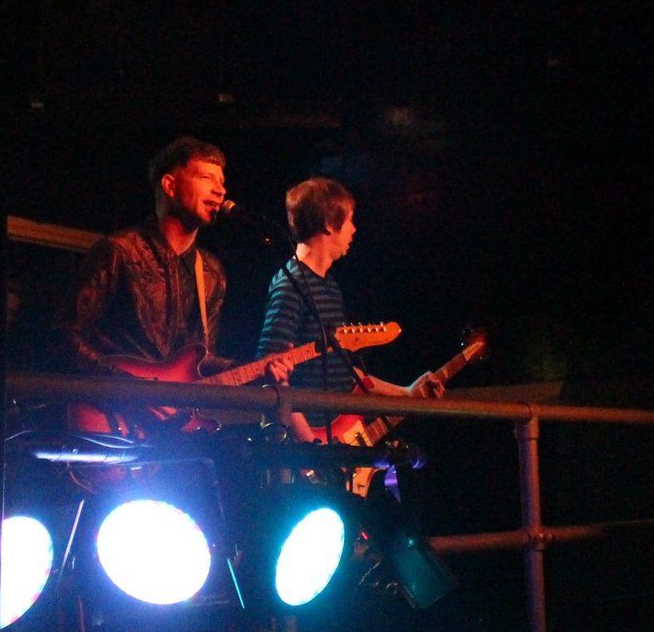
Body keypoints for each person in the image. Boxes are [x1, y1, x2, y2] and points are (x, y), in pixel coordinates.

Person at [67, 136, 291, 382]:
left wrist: (258, 369)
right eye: (206, 178)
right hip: (114, 409)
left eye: (222, 181)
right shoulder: (120, 252)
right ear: (170, 186)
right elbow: (68, 333)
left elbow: (201, 361)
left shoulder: (211, 272)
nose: (220, 190)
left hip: (173, 416)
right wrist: (125, 385)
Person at [257, 177, 440, 441]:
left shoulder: (329, 286)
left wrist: (408, 392)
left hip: (333, 437)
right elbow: (270, 376)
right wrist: (310, 445)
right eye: (350, 220)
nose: (354, 229)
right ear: (330, 225)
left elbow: (344, 376)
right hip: (307, 447)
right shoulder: (290, 285)